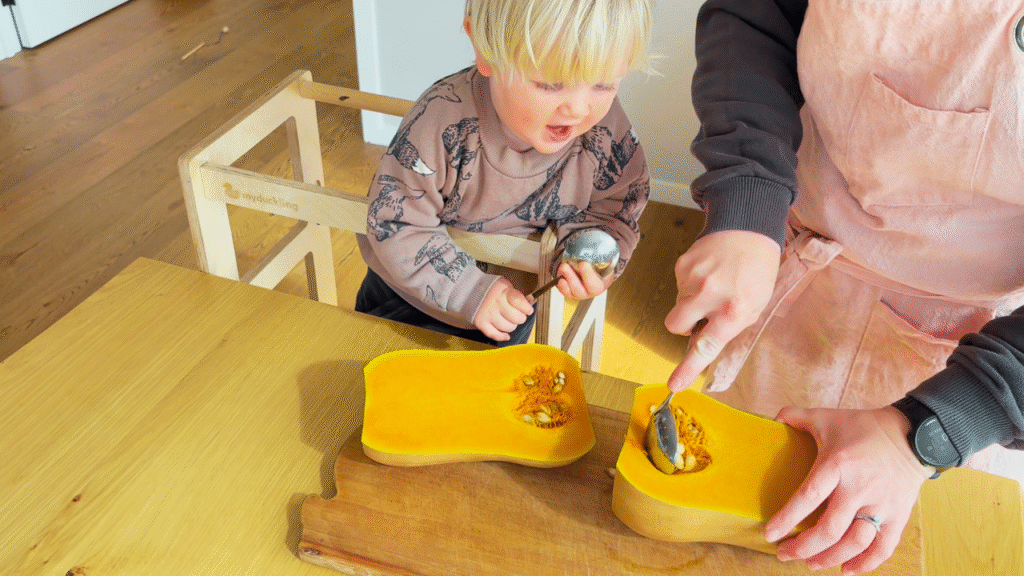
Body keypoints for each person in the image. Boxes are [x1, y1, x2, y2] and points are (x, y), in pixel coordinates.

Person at [665, 1, 1024, 574]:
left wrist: (929, 433)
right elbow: (754, 16)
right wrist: (747, 205)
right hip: (797, 271)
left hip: (981, 365)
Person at [356, 0, 653, 346]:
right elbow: (395, 221)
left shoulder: (605, 128)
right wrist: (470, 291)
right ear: (485, 52)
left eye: (602, 85)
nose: (578, 108)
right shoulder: (441, 121)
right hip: (406, 301)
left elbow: (619, 201)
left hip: (515, 310)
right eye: (550, 83)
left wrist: (593, 251)